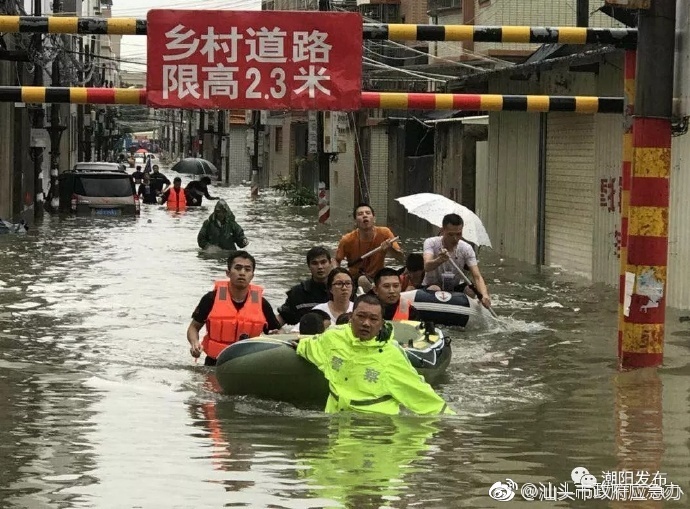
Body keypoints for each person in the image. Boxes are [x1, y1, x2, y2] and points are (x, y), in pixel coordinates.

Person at [293, 294, 455, 415]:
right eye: (361, 316)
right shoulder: (333, 338)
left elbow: (420, 394)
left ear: (381, 324)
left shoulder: (391, 355)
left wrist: (451, 422)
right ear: (351, 317)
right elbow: (311, 347)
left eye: (373, 319)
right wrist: (298, 344)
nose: (366, 323)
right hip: (336, 422)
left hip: (374, 429)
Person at [187, 251, 281, 366]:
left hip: (249, 364)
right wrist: (195, 344)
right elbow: (193, 327)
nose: (242, 273)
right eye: (238, 268)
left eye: (247, 269)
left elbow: (277, 332)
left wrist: (275, 337)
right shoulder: (211, 298)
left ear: (252, 275)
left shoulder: (262, 303)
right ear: (228, 273)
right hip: (215, 363)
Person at [422, 213, 492, 308]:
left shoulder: (466, 248)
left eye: (459, 234)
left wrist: (484, 295)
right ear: (443, 231)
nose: (455, 238)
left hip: (454, 289)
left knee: (473, 289)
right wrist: (439, 260)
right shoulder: (431, 243)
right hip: (432, 286)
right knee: (435, 288)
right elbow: (427, 266)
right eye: (450, 234)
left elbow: (477, 276)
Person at [335, 203, 404, 284]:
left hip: (378, 278)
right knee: (362, 280)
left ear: (374, 218)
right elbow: (336, 261)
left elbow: (401, 258)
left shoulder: (385, 233)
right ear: (355, 221)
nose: (364, 216)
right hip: (356, 279)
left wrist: (390, 249)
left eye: (368, 213)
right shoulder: (347, 239)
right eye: (360, 214)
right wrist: (338, 278)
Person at [277, 246, 332, 326]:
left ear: (330, 263)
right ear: (309, 266)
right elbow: (282, 318)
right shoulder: (298, 292)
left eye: (323, 262)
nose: (320, 267)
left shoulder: (343, 288)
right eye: (314, 263)